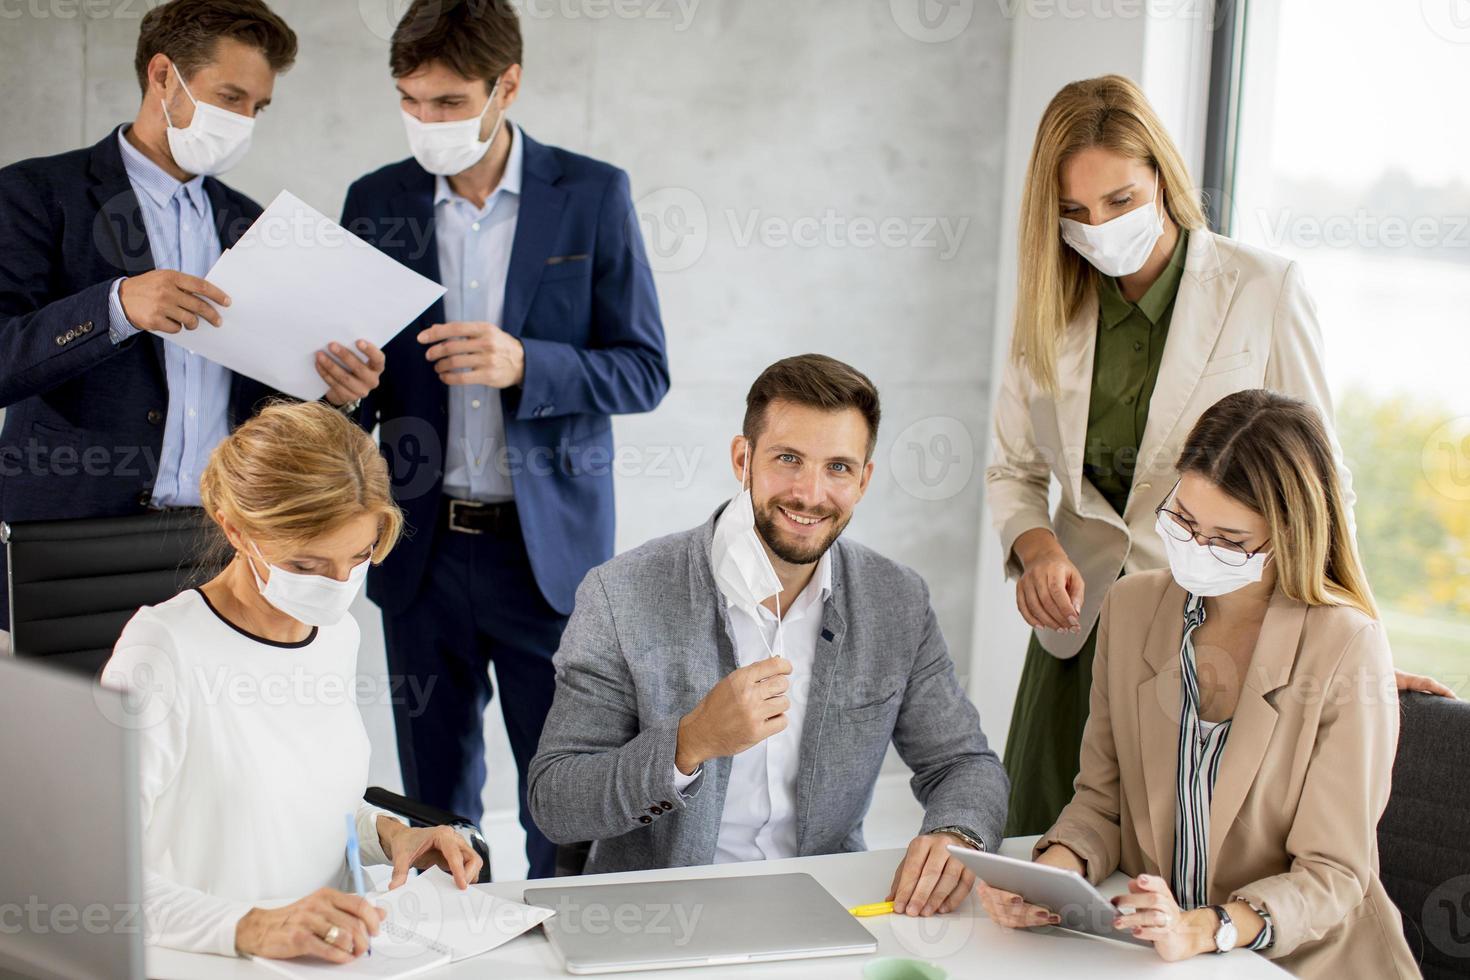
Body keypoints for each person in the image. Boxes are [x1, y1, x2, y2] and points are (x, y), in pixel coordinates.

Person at [987, 74, 1452, 836]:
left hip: (1215, 632)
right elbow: (1012, 469)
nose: (1097, 228)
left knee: (1175, 868)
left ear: (1164, 178)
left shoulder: (1262, 288)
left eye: (1120, 202)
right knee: (1047, 858)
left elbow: (1321, 487)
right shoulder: (1048, 300)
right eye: (1072, 212)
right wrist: (1035, 546)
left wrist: (1359, 642)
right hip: (1078, 637)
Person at [339, 0, 669, 879]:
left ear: (506, 86)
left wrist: (526, 362)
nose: (426, 123)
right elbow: (349, 399)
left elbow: (644, 370)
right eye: (410, 101)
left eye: (447, 104)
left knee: (560, 799)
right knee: (433, 803)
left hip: (546, 561)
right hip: (416, 552)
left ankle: (563, 946)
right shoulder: (375, 201)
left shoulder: (592, 194)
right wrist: (340, 390)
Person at [529, 355, 1007, 917]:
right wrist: (690, 743)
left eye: (838, 468)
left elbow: (964, 764)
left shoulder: (896, 600)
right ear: (743, 458)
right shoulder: (622, 593)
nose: (810, 493)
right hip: (654, 917)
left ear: (864, 480)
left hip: (828, 907)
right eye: (788, 459)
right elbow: (556, 800)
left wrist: (958, 835)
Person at [977, 389, 1419, 977]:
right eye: (1183, 520)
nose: (1198, 549)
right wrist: (1053, 875)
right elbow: (1102, 801)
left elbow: (1331, 875)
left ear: (1289, 534)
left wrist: (1207, 927)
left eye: (1230, 541)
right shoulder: (1133, 607)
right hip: (1161, 954)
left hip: (1298, 962)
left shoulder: (1344, 644)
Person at [0, 0, 385, 649]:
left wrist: (333, 390)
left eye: (256, 107)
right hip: (72, 540)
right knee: (75, 743)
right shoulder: (38, 194)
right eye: (229, 96)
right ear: (162, 76)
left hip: (219, 541)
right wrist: (117, 307)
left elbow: (262, 400)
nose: (241, 121)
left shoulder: (254, 224)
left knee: (203, 745)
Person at [100, 401, 482, 961]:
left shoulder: (335, 633)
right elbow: (96, 875)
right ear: (235, 528)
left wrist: (392, 836)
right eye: (306, 565)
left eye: (358, 557)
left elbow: (307, 802)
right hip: (215, 961)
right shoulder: (162, 652)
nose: (337, 585)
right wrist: (254, 927)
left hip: (339, 955)